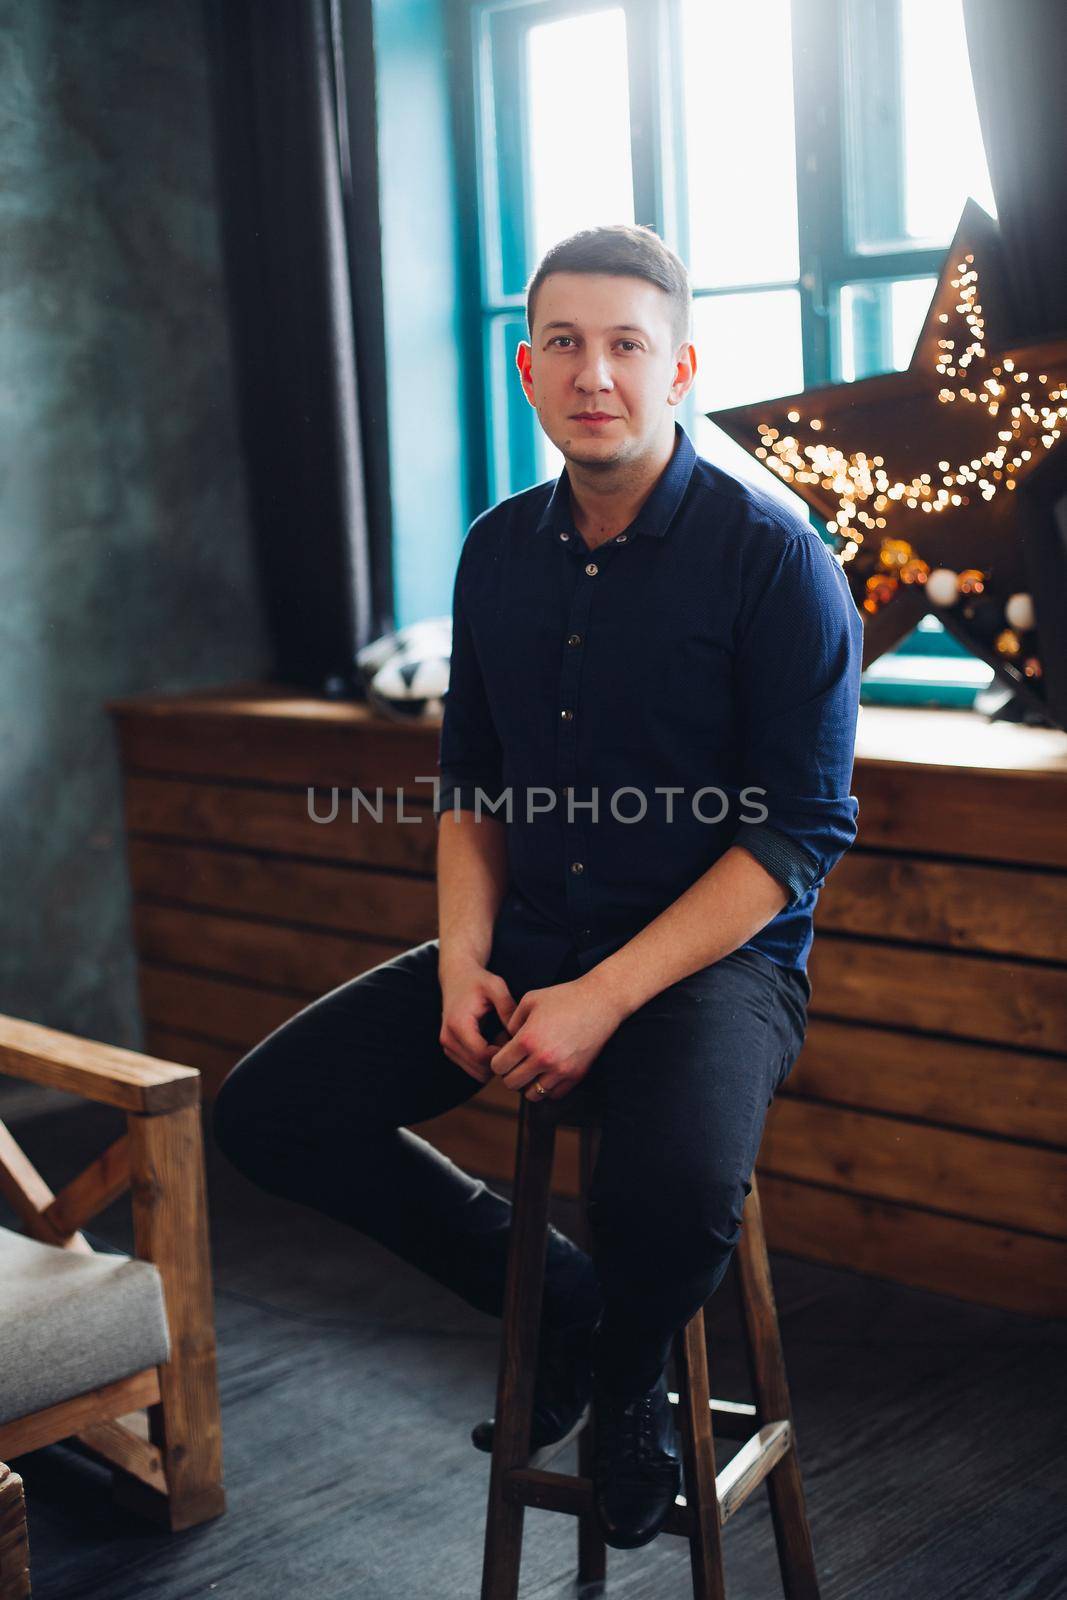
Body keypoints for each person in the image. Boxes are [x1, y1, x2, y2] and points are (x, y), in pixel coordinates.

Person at [213, 223, 863, 1552]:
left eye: (627, 345)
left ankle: (630, 1385)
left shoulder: (774, 560)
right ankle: (565, 1309)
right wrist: (463, 958)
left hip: (711, 966)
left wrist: (601, 1002)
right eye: (565, 343)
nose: (596, 374)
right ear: (526, 368)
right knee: (271, 1115)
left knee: (672, 1192)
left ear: (678, 366)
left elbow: (795, 836)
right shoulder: (498, 550)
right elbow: (471, 782)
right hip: (528, 933)